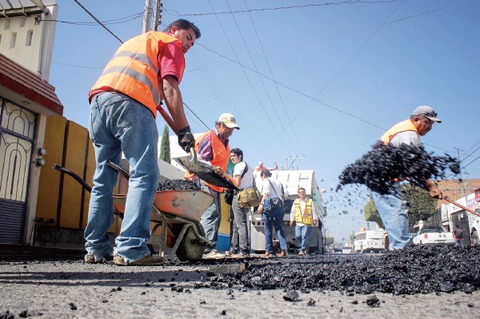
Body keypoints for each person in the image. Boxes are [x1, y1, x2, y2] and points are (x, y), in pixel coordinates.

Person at [84, 19, 201, 266]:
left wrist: (177, 126)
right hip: (131, 103)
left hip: (100, 102)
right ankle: (130, 248)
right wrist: (185, 130)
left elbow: (158, 97)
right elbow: (170, 89)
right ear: (173, 31)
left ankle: (96, 248)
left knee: (103, 177)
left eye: (192, 41)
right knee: (144, 174)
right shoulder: (171, 44)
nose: (189, 43)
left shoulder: (140, 43)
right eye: (187, 36)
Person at [371, 105, 443, 250]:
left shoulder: (407, 131)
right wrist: (430, 186)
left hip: (383, 179)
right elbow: (413, 166)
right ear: (416, 119)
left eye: (432, 124)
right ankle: (401, 251)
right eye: (428, 123)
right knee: (396, 211)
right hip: (382, 180)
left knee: (398, 210)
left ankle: (400, 250)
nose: (430, 127)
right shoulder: (408, 133)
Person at [191, 113, 239, 258]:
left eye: (232, 129)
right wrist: (213, 169)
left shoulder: (226, 143)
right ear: (219, 125)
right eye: (228, 128)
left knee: (216, 215)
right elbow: (200, 160)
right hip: (204, 179)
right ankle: (206, 250)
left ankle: (209, 247)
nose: (230, 131)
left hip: (215, 183)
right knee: (210, 214)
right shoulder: (210, 137)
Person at [229, 148, 254, 258]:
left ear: (240, 156)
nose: (232, 158)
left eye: (234, 156)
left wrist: (227, 179)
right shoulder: (249, 168)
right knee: (237, 223)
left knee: (240, 224)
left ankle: (244, 250)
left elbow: (237, 183)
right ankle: (234, 249)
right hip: (246, 197)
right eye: (231, 156)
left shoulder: (238, 166)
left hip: (238, 196)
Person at [257, 169, 288, 257]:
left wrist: (261, 205)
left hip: (269, 207)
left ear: (263, 175)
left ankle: (269, 250)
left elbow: (266, 193)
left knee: (267, 228)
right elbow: (285, 194)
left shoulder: (266, 181)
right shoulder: (279, 182)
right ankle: (284, 249)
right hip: (280, 206)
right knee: (279, 227)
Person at [289, 187, 318, 256]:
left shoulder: (310, 201)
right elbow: (293, 211)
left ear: (305, 193)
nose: (302, 193)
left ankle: (302, 249)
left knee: (305, 236)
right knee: (298, 236)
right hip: (298, 222)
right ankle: (305, 245)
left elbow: (313, 211)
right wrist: (291, 219)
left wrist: (315, 219)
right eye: (300, 192)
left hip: (307, 222)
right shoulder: (296, 202)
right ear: (298, 194)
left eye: (303, 192)